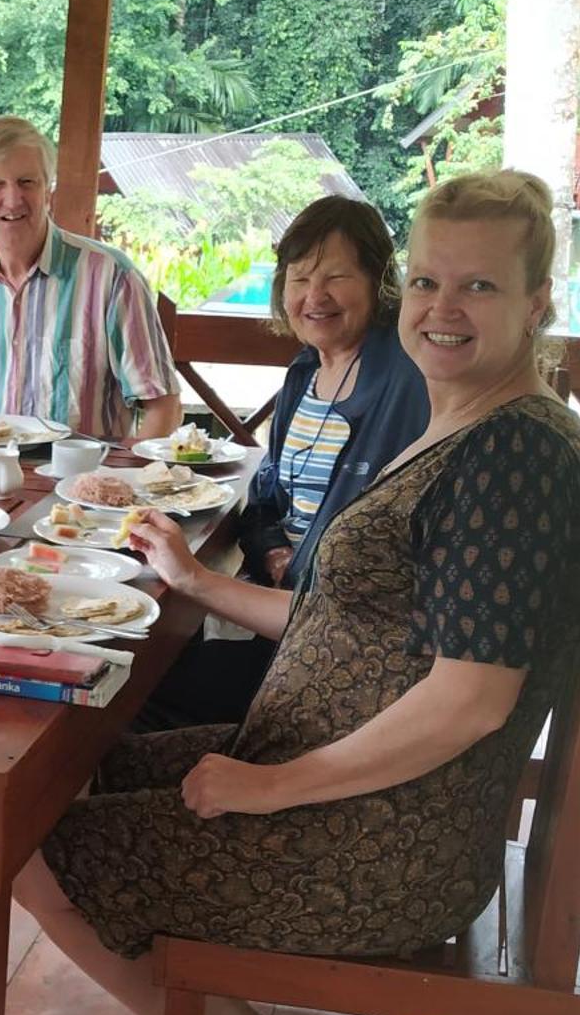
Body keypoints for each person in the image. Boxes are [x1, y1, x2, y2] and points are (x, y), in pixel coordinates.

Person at [10, 171, 580, 1015]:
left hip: (382, 841)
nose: (439, 309)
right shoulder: (468, 423)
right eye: (425, 282)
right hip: (351, 790)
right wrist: (199, 589)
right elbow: (353, 621)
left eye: (479, 288)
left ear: (537, 302)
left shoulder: (515, 458)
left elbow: (467, 700)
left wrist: (268, 786)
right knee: (49, 790)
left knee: (24, 845)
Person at [138, 196, 429, 729]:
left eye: (336, 277)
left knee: (138, 686)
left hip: (332, 639)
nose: (313, 296)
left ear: (379, 282)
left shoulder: (405, 379)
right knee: (142, 660)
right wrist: (274, 549)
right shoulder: (304, 374)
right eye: (298, 279)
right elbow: (266, 496)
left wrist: (297, 568)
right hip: (276, 604)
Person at [0, 116, 182, 440]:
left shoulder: (110, 278)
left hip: (75, 484)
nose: (12, 200)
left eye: (26, 182)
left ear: (48, 191)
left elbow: (163, 405)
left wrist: (122, 479)